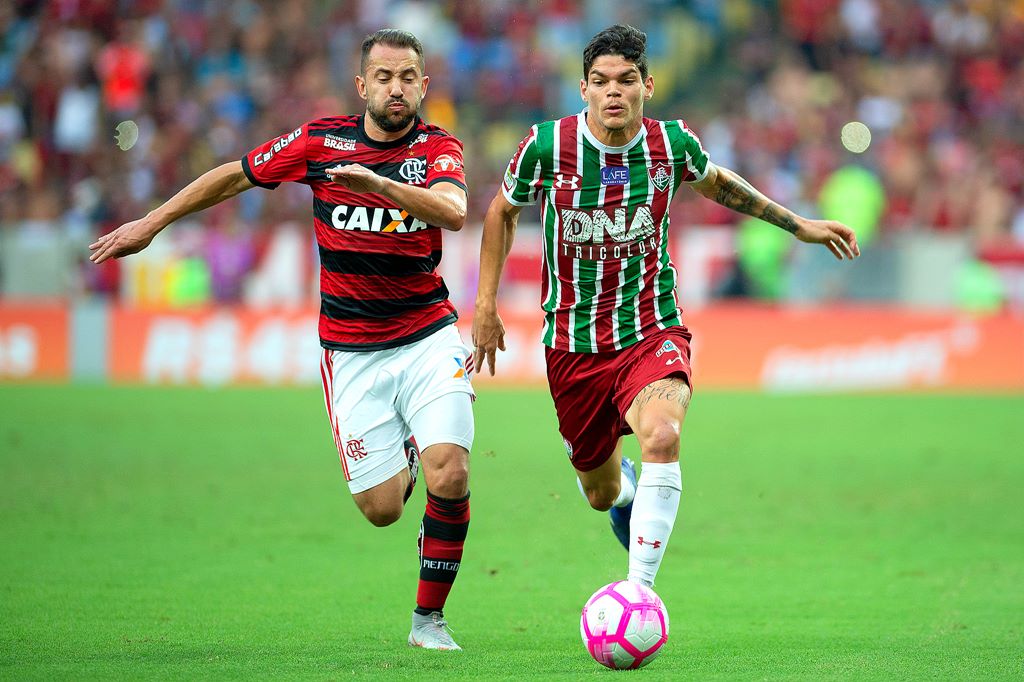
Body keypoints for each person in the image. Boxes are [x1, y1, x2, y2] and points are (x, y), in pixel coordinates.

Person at [90, 29, 474, 651]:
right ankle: (405, 450)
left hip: (428, 335)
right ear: (362, 85)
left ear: (424, 85)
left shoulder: (438, 148)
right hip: (349, 350)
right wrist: (153, 223)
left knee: (450, 472)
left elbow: (452, 211)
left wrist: (377, 187)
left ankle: (428, 621)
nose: (396, 88)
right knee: (382, 510)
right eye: (384, 77)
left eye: (408, 77)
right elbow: (235, 176)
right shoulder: (321, 141)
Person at [472, 25, 859, 589]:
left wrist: (797, 223)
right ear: (582, 88)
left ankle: (640, 594)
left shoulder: (671, 144)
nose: (613, 92)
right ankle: (624, 488)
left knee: (662, 436)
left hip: (651, 329)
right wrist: (486, 304)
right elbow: (500, 212)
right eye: (601, 81)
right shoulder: (546, 146)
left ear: (647, 85)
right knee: (599, 492)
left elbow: (718, 183)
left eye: (626, 80)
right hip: (573, 345)